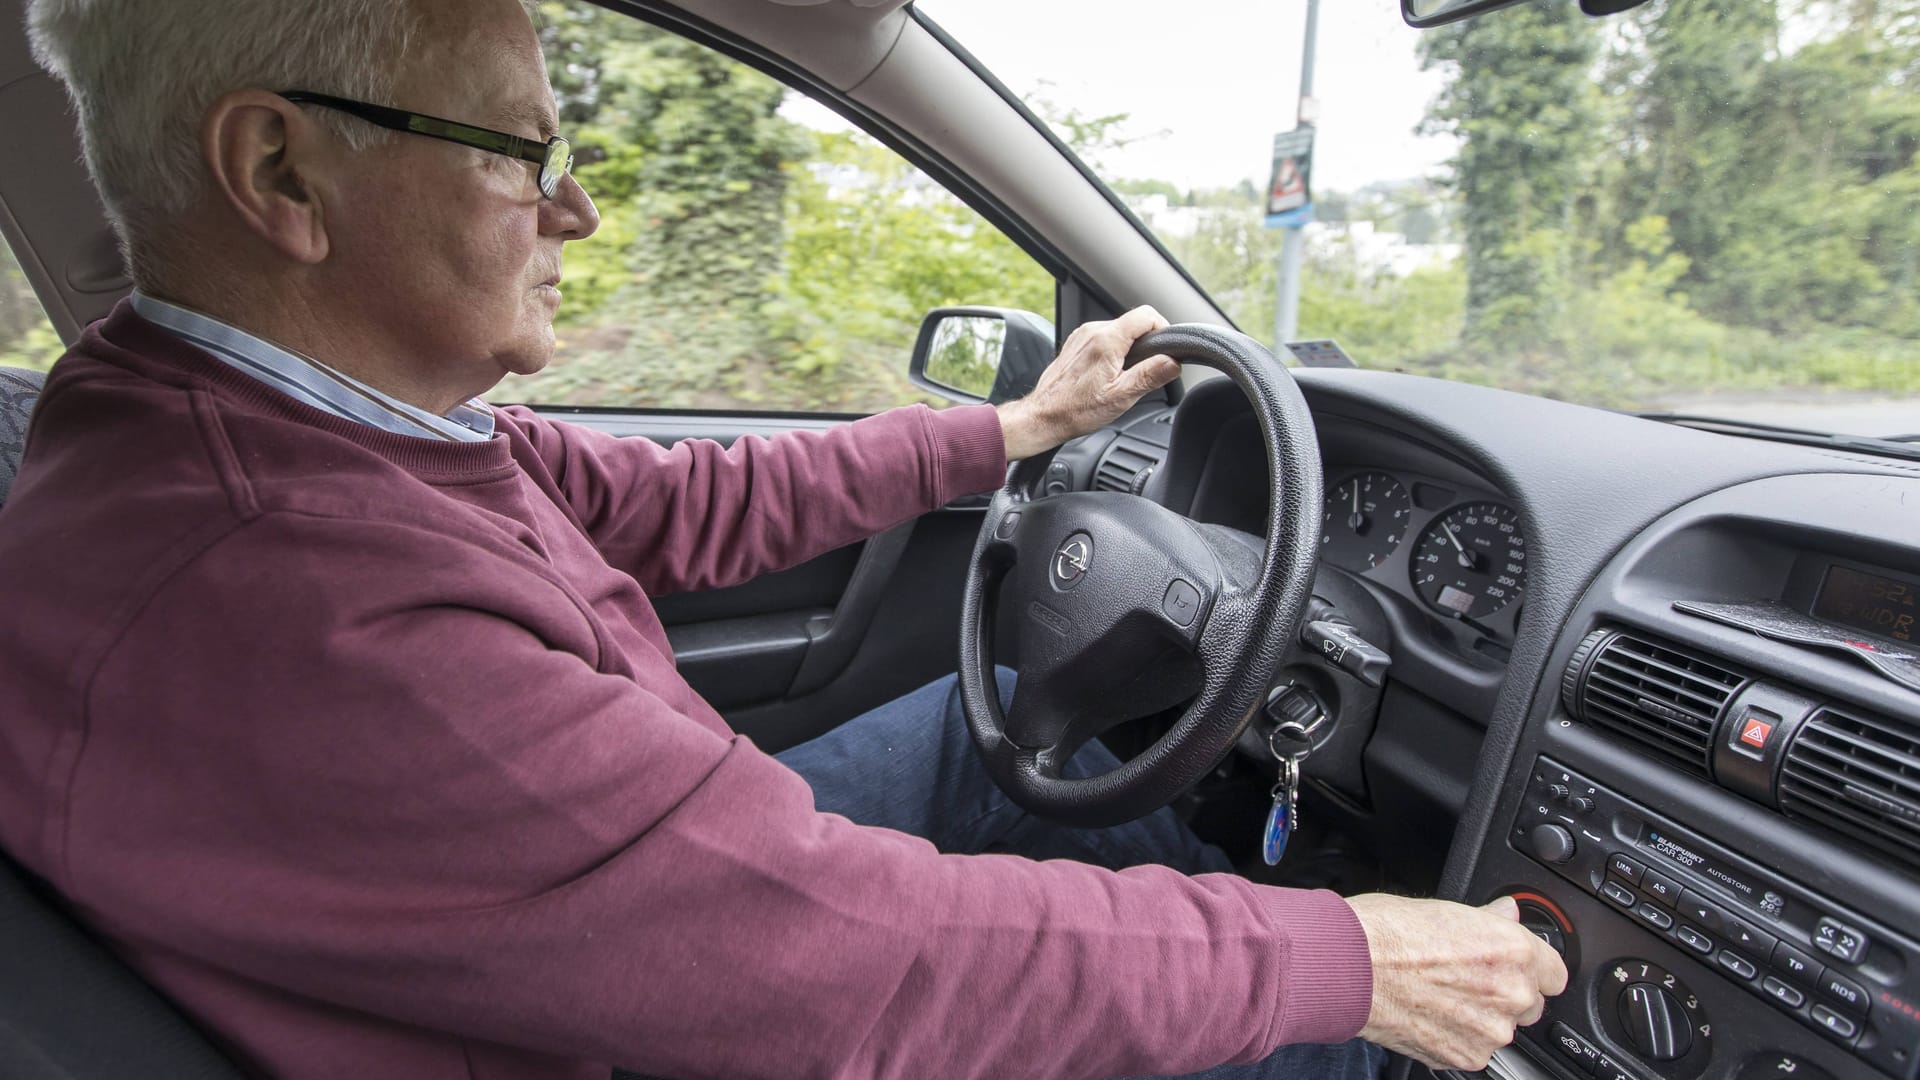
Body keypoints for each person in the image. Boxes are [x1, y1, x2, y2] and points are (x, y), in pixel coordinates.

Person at [0, 0, 1565, 1077]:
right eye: (521, 150)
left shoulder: (284, 424)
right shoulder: (298, 598)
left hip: (605, 915)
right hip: (606, 1033)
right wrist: (1352, 966)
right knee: (1296, 1018)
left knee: (998, 725)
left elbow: (673, 502)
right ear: (282, 171)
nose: (579, 210)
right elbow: (859, 968)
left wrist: (1009, 433)